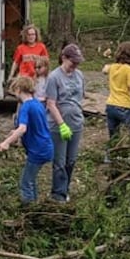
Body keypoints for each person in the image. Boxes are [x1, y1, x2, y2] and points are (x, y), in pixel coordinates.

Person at [0, 75, 54, 202]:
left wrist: (6, 143)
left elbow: (23, 128)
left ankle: (28, 212)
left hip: (37, 150)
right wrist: (14, 134)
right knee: (31, 180)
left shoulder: (25, 107)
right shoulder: (37, 104)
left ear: (18, 90)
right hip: (46, 147)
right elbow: (33, 126)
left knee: (25, 182)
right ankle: (35, 207)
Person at [45, 43, 86, 203]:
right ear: (64, 58)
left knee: (71, 160)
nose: (75, 66)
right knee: (60, 162)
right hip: (58, 126)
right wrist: (62, 124)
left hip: (76, 124)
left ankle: (65, 188)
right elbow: (51, 103)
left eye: (77, 63)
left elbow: (80, 97)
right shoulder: (54, 77)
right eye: (72, 62)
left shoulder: (79, 75)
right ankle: (58, 194)